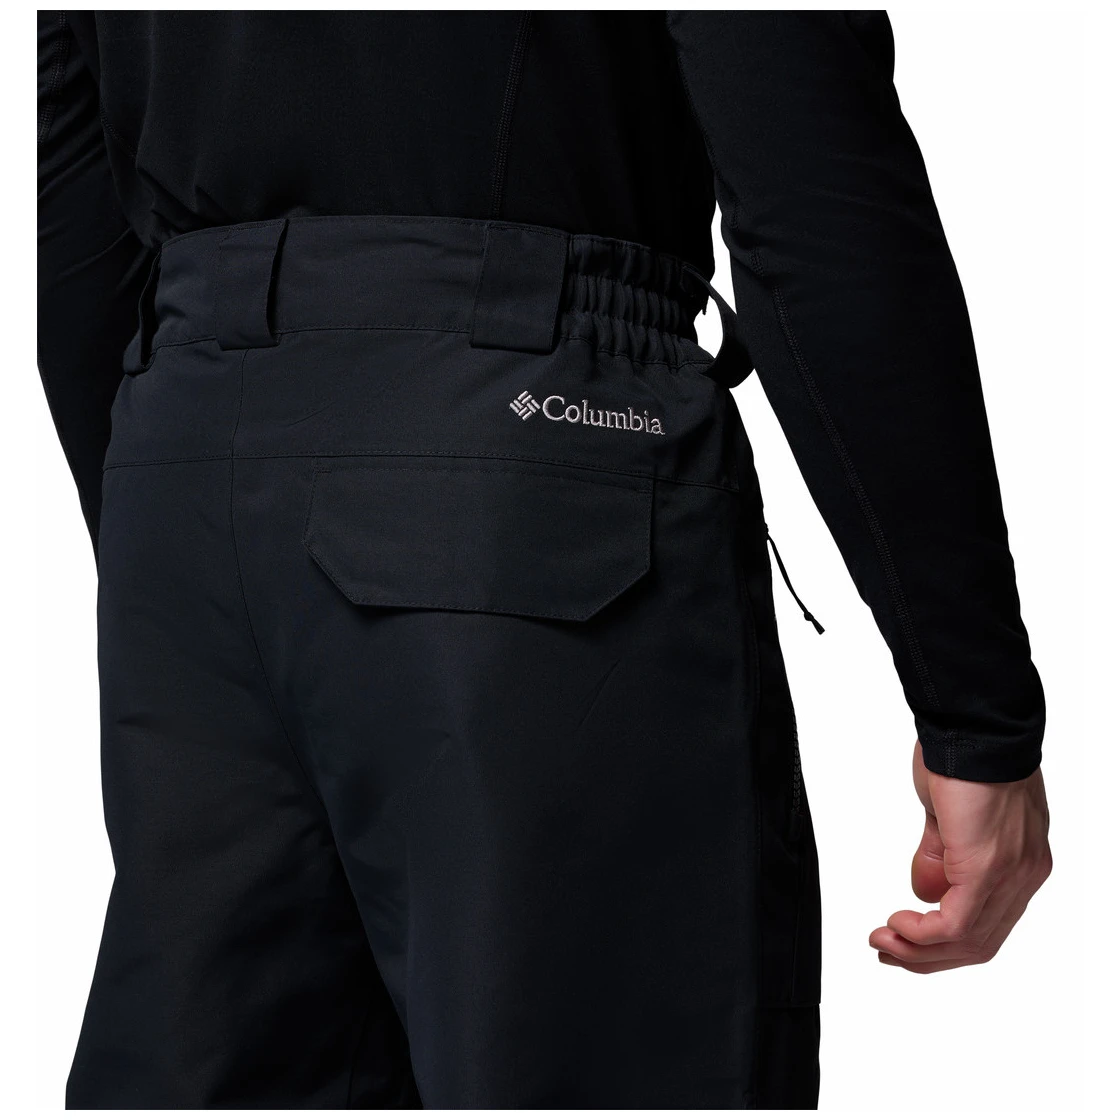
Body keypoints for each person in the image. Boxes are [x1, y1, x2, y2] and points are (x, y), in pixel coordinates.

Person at [36, 11, 1052, 1109]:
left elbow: (77, 198)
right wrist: (973, 711)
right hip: (525, 463)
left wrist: (186, 557)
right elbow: (810, 183)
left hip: (188, 467)